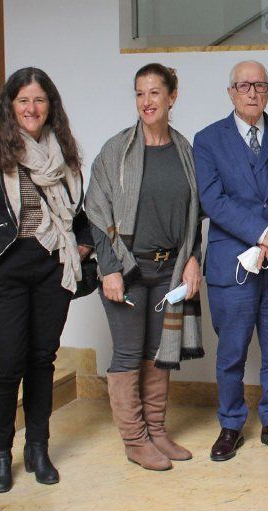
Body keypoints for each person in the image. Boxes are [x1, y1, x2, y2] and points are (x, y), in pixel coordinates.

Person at [0, 67, 92, 492]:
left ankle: (38, 447)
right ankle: (0, 453)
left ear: (51, 106)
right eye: (23, 100)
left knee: (42, 360)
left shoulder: (62, 150)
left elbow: (77, 212)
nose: (31, 108)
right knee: (7, 364)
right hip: (4, 269)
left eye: (40, 100)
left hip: (51, 268)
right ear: (10, 105)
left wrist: (79, 245)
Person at [85, 63, 204, 471]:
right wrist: (109, 269)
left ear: (172, 97)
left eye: (155, 93)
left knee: (158, 354)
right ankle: (135, 441)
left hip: (169, 269)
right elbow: (96, 212)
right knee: (129, 353)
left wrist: (193, 260)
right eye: (140, 93)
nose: (146, 102)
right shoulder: (116, 151)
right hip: (128, 268)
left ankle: (156, 431)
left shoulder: (186, 151)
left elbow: (196, 215)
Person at [194, 60, 268, 461]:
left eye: (259, 85)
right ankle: (230, 424)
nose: (252, 93)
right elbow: (213, 200)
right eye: (244, 86)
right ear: (231, 92)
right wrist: (263, 235)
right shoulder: (208, 140)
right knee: (232, 352)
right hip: (234, 267)